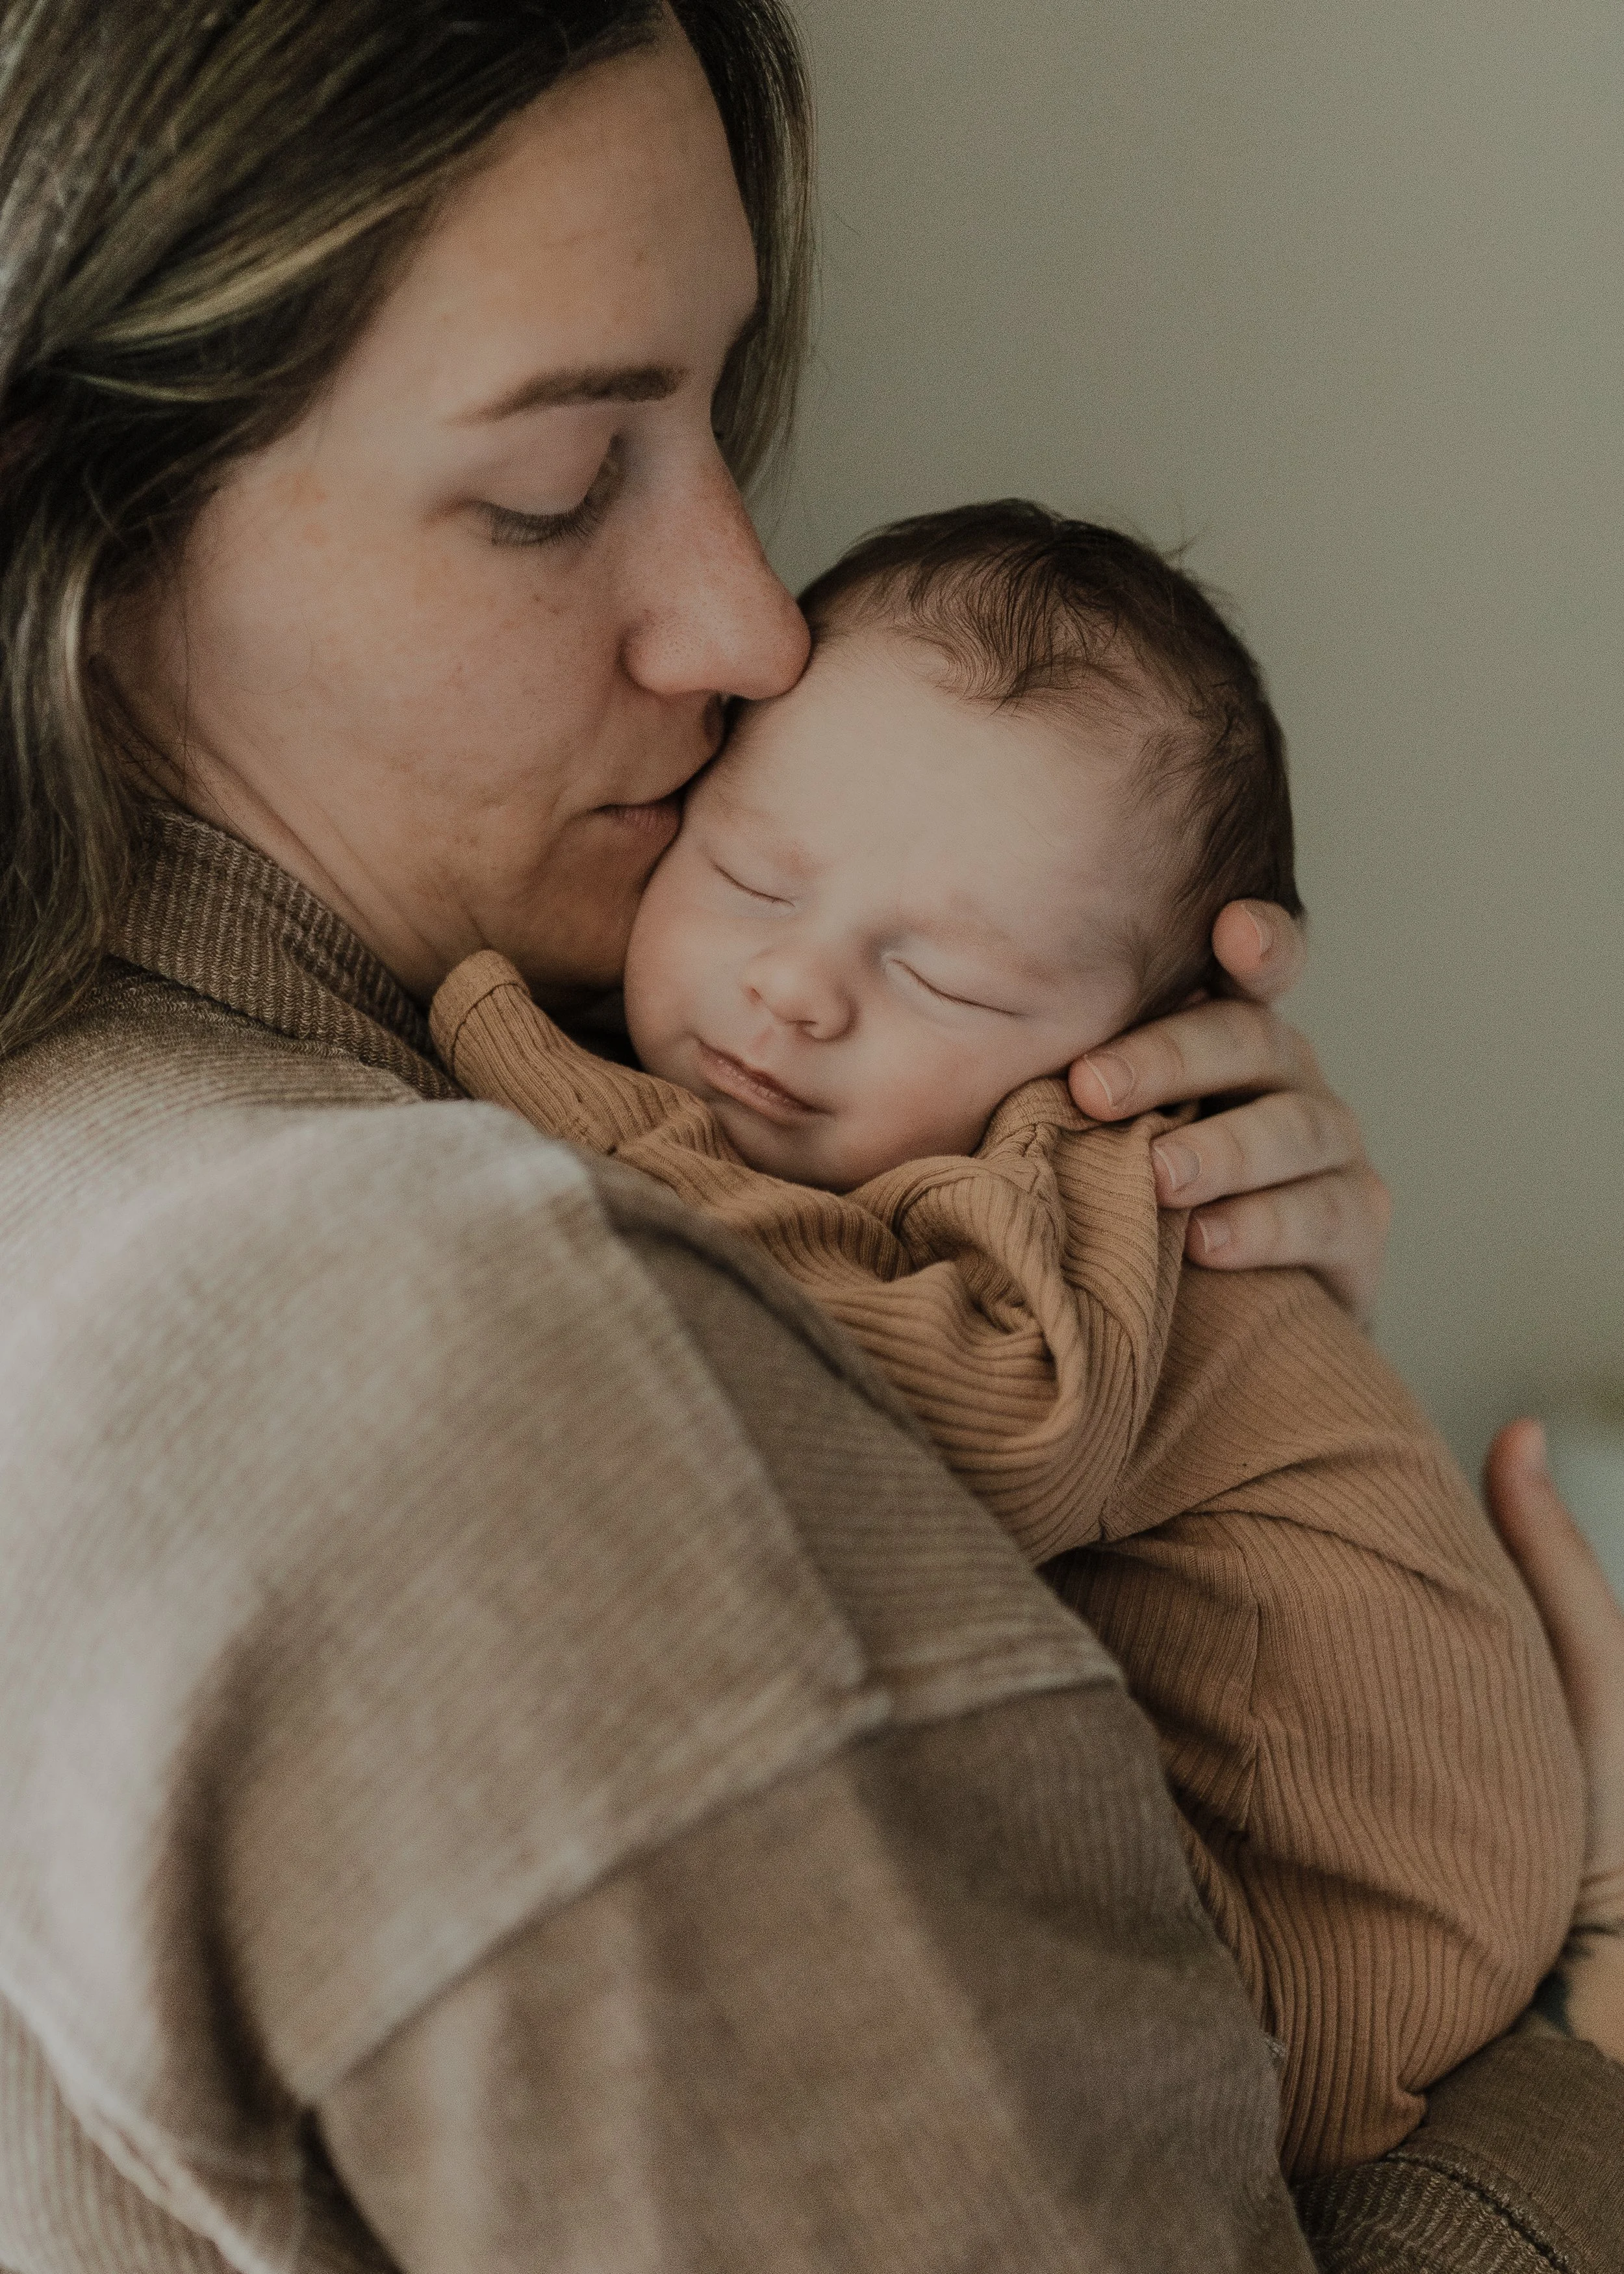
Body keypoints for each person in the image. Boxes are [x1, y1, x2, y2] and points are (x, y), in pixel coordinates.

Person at [0, 4, 1619, 2269]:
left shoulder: (92, 1140)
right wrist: (1584, 2068)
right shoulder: (439, 1318)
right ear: (81, 537)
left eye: (719, 420)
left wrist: (1140, 1233)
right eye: (558, 488)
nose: (751, 618)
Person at [426, 498, 1584, 2178]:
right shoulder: (863, 1100)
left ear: (1147, 1036)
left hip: (1331, 1907)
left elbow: (981, 1422)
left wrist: (523, 1058)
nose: (794, 990)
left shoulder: (1095, 1167)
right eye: (748, 875)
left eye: (950, 983)